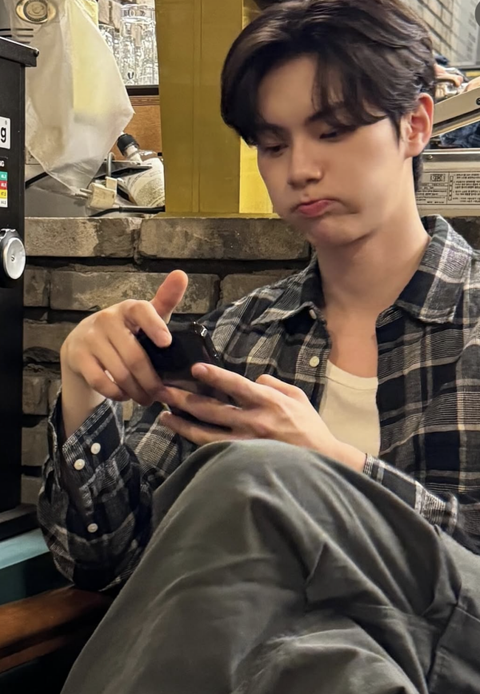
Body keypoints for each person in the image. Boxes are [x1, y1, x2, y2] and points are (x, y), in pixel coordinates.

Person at [39, 1, 480, 692]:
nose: (300, 168)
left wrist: (327, 469)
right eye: (273, 145)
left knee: (255, 476)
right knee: (330, 660)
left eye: (332, 131)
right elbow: (107, 563)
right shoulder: (243, 334)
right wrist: (82, 388)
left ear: (416, 125)